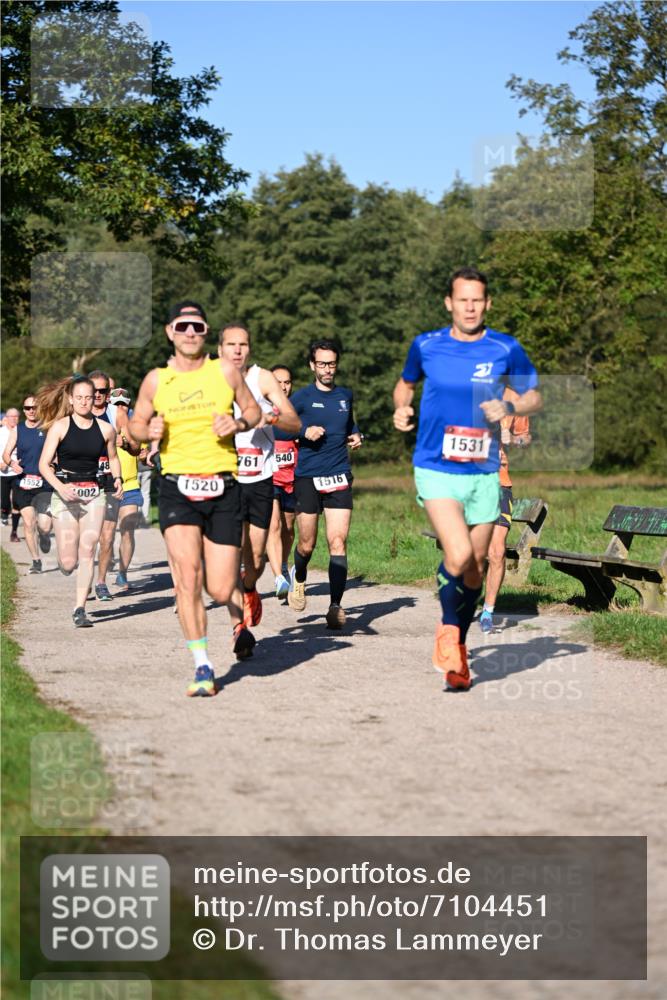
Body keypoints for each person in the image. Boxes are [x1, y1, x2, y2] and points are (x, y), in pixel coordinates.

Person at [393, 267, 541, 691]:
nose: (470, 307)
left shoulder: (505, 348)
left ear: (487, 303)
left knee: (475, 567)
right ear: (449, 303)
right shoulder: (426, 345)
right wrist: (401, 408)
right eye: (463, 300)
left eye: (477, 300)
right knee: (457, 556)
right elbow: (404, 385)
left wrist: (511, 407)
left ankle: (458, 642)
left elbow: (532, 394)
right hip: (436, 467)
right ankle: (448, 631)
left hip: (483, 473)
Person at [129, 301, 261, 697]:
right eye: (183, 326)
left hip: (222, 485)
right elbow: (134, 425)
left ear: (205, 332)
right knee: (187, 577)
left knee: (220, 589)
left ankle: (235, 612)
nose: (190, 332)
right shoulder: (157, 380)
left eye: (198, 327)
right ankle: (202, 665)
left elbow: (253, 410)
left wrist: (237, 422)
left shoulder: (224, 371)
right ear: (170, 331)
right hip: (177, 487)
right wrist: (147, 431)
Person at [217, 326, 301, 629]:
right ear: (220, 349)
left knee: (255, 558)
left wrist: (272, 417)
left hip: (260, 479)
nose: (237, 350)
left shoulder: (262, 378)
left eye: (243, 344)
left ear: (249, 348)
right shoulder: (210, 379)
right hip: (225, 479)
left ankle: (249, 587)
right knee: (231, 551)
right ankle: (238, 627)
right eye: (231, 344)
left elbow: (294, 422)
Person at [288, 339, 362, 629]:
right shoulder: (302, 398)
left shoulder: (345, 395)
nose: (327, 369)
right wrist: (304, 431)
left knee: (338, 542)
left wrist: (356, 435)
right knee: (307, 545)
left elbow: (348, 424)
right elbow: (281, 426)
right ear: (312, 366)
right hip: (307, 476)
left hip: (338, 474)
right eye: (322, 364)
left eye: (331, 363)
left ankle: (335, 606)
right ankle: (300, 576)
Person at [37, 376, 123, 626]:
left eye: (89, 397)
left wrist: (117, 478)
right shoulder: (60, 427)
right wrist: (61, 488)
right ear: (71, 400)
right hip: (65, 493)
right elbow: (43, 464)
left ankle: (79, 609)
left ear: (94, 398)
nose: (85, 402)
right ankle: (50, 532)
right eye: (80, 398)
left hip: (93, 494)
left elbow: (113, 457)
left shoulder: (106, 429)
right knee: (68, 562)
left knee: (88, 550)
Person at [479, 387, 531, 633]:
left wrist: (513, 438)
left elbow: (524, 437)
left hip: (500, 483)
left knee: (497, 551)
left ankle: (488, 612)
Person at [2, 395, 54, 573]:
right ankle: (36, 561)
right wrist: (12, 463)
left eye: (34, 407)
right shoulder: (18, 429)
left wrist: (53, 466)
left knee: (45, 525)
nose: (31, 411)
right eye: (27, 408)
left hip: (44, 483)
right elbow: (6, 454)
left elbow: (56, 454)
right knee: (29, 522)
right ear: (23, 410)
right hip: (23, 482)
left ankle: (45, 536)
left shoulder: (48, 427)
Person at [104, 387, 144, 590]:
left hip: (130, 484)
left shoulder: (135, 426)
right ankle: (106, 560)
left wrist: (141, 453)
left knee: (127, 530)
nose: (120, 408)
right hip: (107, 486)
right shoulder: (102, 425)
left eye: (124, 405)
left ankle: (122, 573)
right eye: (116, 404)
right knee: (106, 535)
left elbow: (142, 452)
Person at [266, 365, 298, 599]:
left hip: (293, 478)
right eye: (278, 382)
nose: (283, 386)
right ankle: (278, 577)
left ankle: (284, 565)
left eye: (287, 382)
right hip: (269, 478)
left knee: (288, 529)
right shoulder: (261, 409)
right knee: (274, 525)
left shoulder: (297, 409)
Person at [87, 370, 120, 601]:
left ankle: (101, 583)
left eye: (102, 390)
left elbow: (133, 444)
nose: (98, 394)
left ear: (109, 392)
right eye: (94, 390)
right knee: (87, 538)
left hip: (109, 480)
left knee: (107, 537)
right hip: (83, 480)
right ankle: (85, 579)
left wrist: (129, 443)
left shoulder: (116, 414)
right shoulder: (78, 414)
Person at [0, 406, 21, 539]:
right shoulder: (1, 432)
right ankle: (4, 513)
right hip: (3, 472)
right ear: (6, 418)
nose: (13, 419)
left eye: (16, 416)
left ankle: (14, 531)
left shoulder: (22, 431)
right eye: (11, 416)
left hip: (18, 472)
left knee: (17, 501)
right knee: (5, 500)